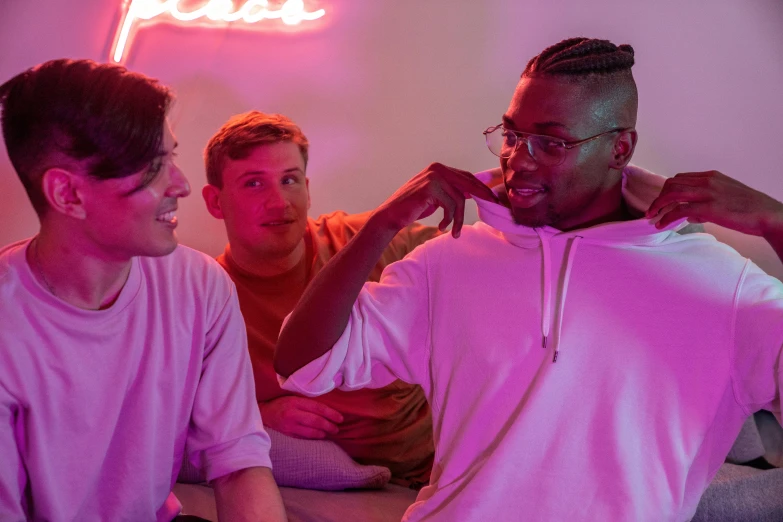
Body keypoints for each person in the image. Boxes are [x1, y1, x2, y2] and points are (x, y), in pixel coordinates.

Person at [274, 37, 783, 521]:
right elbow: (302, 364)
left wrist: (777, 224)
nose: (519, 159)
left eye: (552, 143)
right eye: (513, 134)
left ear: (620, 149)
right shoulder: (450, 261)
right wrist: (384, 223)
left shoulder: (718, 284)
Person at [0, 60, 286, 521]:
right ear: (67, 195)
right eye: (154, 168)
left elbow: (238, 461)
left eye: (171, 157)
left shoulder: (201, 287)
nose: (183, 185)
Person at [201, 111, 439, 486]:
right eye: (253, 184)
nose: (280, 202)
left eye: (290, 180)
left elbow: (487, 260)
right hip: (351, 485)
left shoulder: (368, 242)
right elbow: (178, 408)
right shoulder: (208, 298)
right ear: (215, 202)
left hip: (445, 465)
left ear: (308, 189)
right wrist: (261, 414)